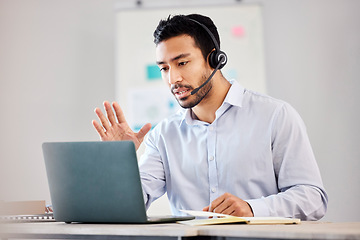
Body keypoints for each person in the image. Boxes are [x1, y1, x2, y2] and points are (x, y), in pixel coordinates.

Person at [92, 14, 328, 220]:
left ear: (214, 59)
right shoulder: (163, 136)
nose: (173, 78)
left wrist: (253, 209)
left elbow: (312, 198)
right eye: (164, 68)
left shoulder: (275, 116)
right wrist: (118, 162)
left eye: (182, 63)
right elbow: (128, 206)